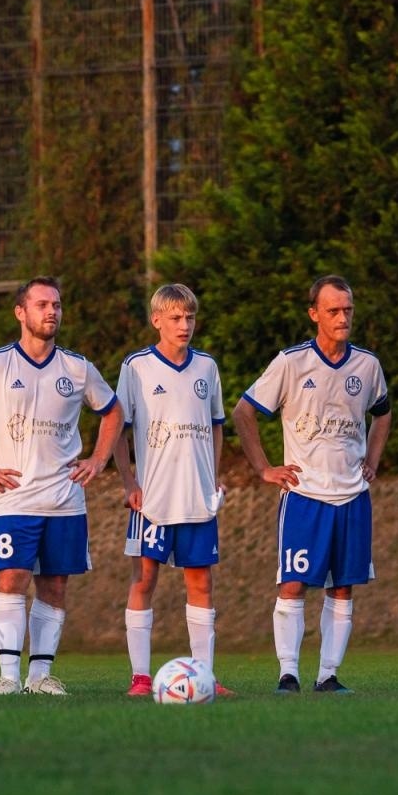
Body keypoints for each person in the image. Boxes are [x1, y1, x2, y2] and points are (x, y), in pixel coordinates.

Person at [0, 276, 123, 695]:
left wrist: (98, 459)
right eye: (42, 304)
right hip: (15, 499)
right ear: (21, 313)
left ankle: (40, 678)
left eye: (56, 304)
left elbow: (112, 413)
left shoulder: (78, 368)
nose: (51, 311)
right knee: (12, 579)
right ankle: (7, 677)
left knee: (56, 584)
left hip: (64, 499)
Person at [231, 275, 390, 695]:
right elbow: (244, 412)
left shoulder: (367, 365)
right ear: (314, 314)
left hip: (352, 495)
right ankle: (288, 673)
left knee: (342, 586)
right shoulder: (291, 362)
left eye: (348, 310)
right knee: (294, 583)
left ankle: (328, 676)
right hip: (305, 496)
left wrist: (372, 460)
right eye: (333, 310)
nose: (342, 318)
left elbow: (384, 412)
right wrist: (265, 469)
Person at [111, 283, 230, 697]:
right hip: (153, 499)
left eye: (191, 318)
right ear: (157, 320)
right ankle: (141, 678)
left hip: (197, 497)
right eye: (176, 318)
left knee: (201, 583)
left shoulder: (207, 368)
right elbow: (116, 429)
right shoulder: (137, 366)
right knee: (144, 579)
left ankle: (205, 676)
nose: (185, 325)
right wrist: (129, 482)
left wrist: (214, 473)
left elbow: (217, 424)